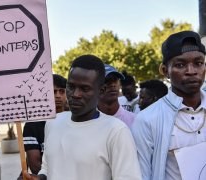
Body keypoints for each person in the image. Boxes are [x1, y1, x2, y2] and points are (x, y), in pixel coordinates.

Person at [24, 55, 142, 180]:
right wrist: (40, 178)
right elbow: (48, 168)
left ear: (101, 91)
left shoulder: (116, 131)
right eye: (71, 86)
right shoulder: (53, 123)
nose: (75, 94)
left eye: (84, 89)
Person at [131, 31, 206, 180]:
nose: (191, 71)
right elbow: (142, 175)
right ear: (166, 71)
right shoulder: (147, 119)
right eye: (180, 65)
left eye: (198, 63)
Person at [22, 74, 67, 175]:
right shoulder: (32, 125)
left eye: (62, 91)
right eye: (53, 91)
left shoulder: (75, 119)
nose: (58, 96)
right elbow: (35, 166)